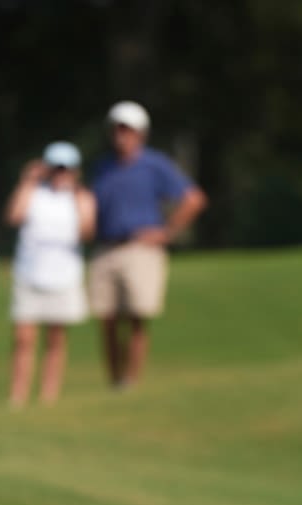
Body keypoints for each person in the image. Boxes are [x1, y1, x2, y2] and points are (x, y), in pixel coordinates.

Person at [88, 100, 207, 389]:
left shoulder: (154, 164)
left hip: (141, 249)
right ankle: (114, 381)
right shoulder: (103, 167)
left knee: (137, 317)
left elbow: (193, 199)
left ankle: (131, 381)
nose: (120, 135)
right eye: (116, 129)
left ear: (140, 133)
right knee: (107, 319)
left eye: (126, 130)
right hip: (106, 248)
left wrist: (167, 232)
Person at [2, 141, 96, 408]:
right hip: (29, 272)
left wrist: (79, 197)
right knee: (23, 339)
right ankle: (18, 395)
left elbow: (87, 232)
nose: (61, 173)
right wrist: (27, 181)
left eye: (66, 169)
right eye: (56, 168)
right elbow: (14, 216)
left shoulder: (81, 197)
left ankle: (48, 395)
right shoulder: (33, 193)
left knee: (55, 339)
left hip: (64, 274)